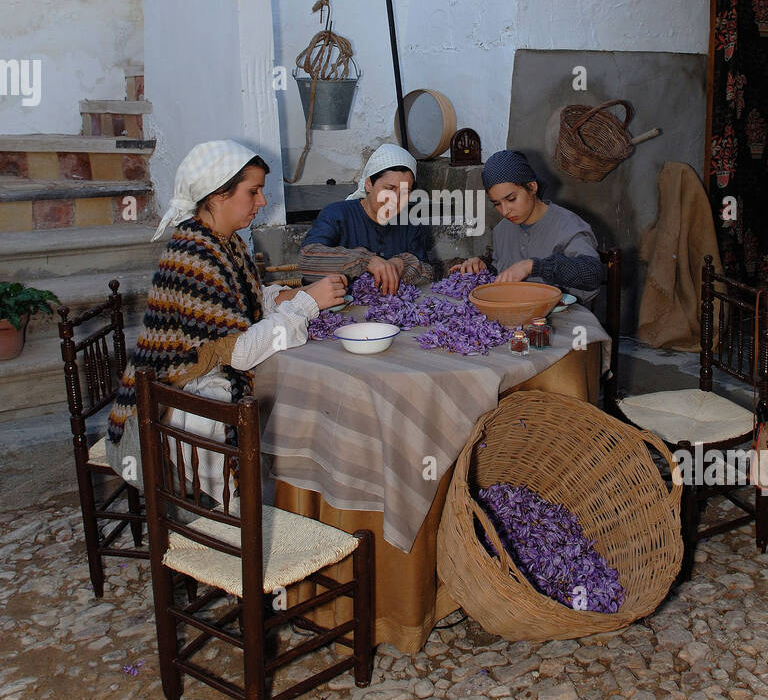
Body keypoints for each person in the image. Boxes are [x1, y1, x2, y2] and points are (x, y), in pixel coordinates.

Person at [106, 140, 345, 497]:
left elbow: (236, 302)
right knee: (297, 404)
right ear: (218, 194)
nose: (262, 202)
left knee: (294, 398)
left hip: (194, 385)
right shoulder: (193, 258)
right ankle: (245, 518)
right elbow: (240, 352)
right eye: (253, 192)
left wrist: (282, 296)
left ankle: (294, 491)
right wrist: (306, 304)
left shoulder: (221, 241)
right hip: (169, 409)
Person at [450, 149, 603, 302]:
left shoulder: (568, 225)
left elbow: (593, 273)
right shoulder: (501, 230)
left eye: (511, 199)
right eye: (497, 204)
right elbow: (502, 273)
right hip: (514, 315)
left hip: (565, 318)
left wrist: (533, 266)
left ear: (532, 187)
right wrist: (482, 269)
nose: (505, 211)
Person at [299, 143, 433, 293]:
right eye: (389, 188)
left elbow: (428, 272)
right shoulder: (337, 215)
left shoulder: (408, 225)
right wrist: (365, 261)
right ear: (369, 184)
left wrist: (402, 264)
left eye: (404, 192)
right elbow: (307, 260)